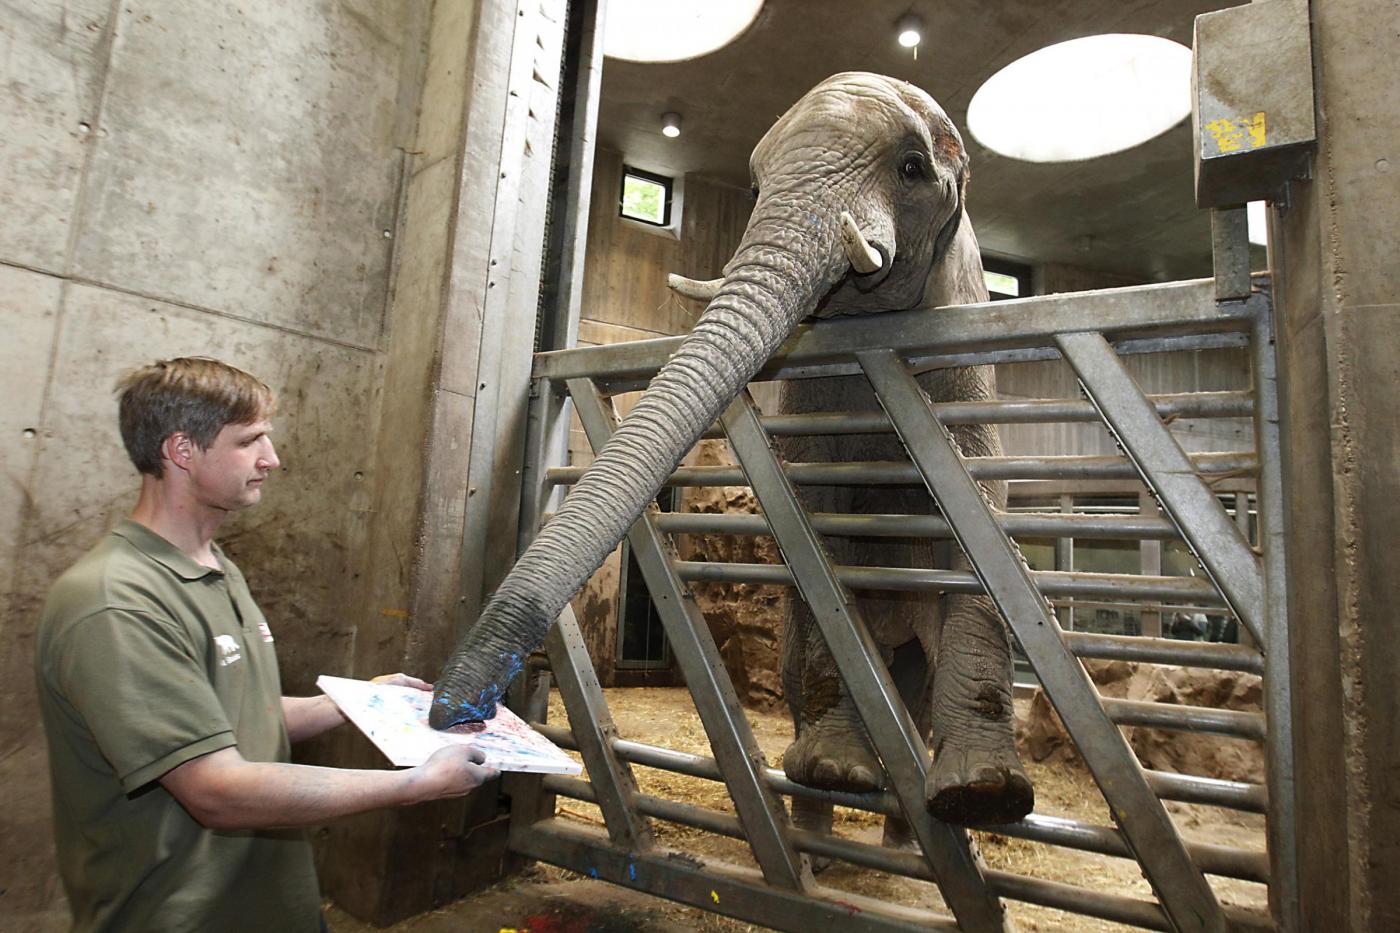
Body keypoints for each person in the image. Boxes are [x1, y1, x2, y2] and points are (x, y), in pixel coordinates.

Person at [34, 358, 497, 933]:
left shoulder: (215, 566)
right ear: (181, 451)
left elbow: (222, 716)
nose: (271, 458)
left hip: (271, 904)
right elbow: (215, 790)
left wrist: (354, 704)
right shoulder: (115, 602)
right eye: (250, 440)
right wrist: (416, 784)